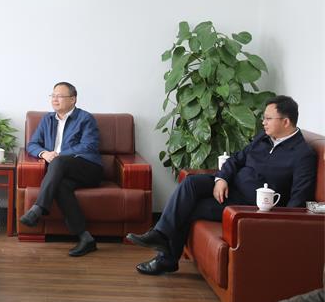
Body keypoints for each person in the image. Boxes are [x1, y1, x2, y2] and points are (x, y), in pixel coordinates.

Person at [128, 95, 317, 275]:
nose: (263, 122)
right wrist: (221, 179)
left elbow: (298, 200)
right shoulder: (264, 138)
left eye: (268, 118)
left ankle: (166, 259)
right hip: (230, 188)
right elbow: (236, 159)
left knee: (191, 208)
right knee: (191, 182)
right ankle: (160, 234)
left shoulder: (303, 155)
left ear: (286, 121)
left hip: (249, 207)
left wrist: (276, 225)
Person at [19, 81, 103, 256]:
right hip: (61, 171)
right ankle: (86, 238)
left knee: (58, 162)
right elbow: (32, 144)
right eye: (53, 95)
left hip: (88, 168)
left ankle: (38, 208)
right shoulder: (47, 119)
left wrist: (58, 155)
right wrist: (44, 153)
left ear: (73, 99)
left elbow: (89, 146)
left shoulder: (85, 118)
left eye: (60, 96)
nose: (55, 99)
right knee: (61, 186)